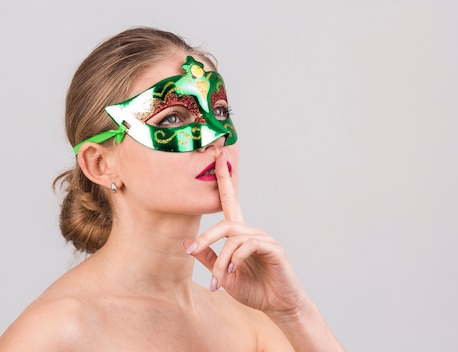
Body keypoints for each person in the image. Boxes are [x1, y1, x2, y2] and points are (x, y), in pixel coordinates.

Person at [0, 26, 344, 351]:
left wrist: (295, 313)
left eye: (220, 111)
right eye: (172, 118)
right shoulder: (54, 334)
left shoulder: (251, 322)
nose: (215, 136)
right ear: (100, 164)